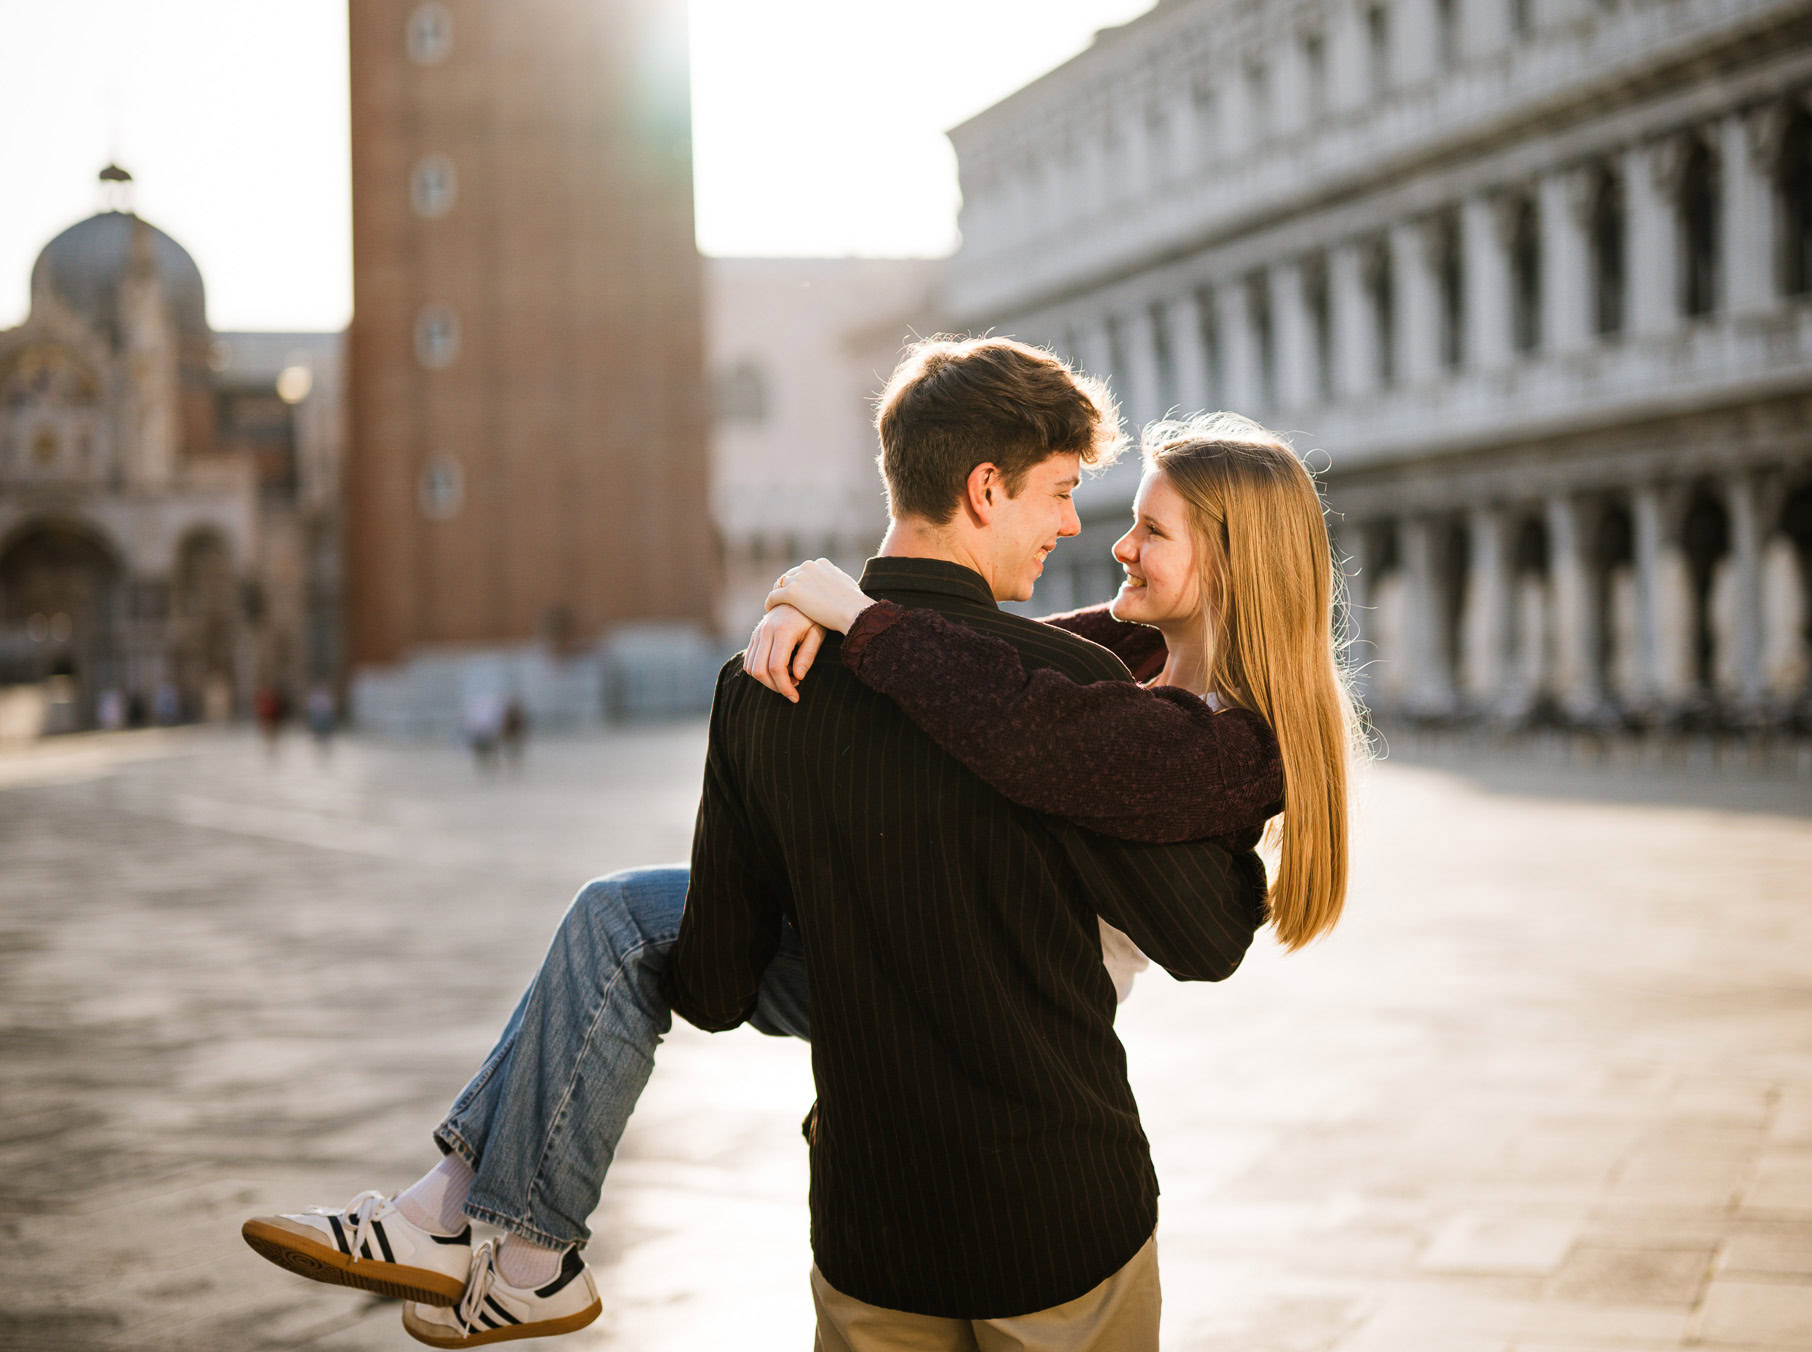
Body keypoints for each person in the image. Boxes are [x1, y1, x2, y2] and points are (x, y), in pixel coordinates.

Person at [240, 343, 1357, 1349]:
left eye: (1142, 528)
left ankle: (511, 1241)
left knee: (630, 924)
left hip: (880, 1188)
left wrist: (856, 619)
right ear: (984, 489)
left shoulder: (1208, 737)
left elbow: (1129, 836)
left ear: (1224, 561)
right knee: (614, 915)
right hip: (1051, 1183)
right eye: (1072, 495)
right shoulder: (1093, 668)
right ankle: (476, 1211)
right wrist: (837, 616)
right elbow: (1011, 662)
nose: (1095, 531)